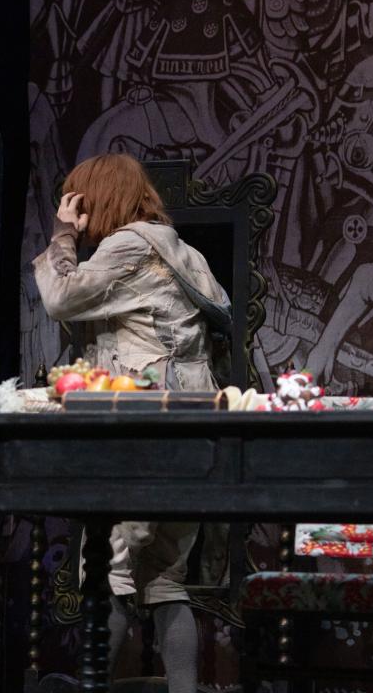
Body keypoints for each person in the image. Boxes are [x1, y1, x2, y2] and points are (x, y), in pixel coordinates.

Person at [33, 152, 230, 693]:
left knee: (109, 565)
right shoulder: (184, 251)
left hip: (147, 424)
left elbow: (59, 298)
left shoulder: (129, 245)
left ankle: (89, 688)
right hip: (194, 423)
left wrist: (63, 236)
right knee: (165, 577)